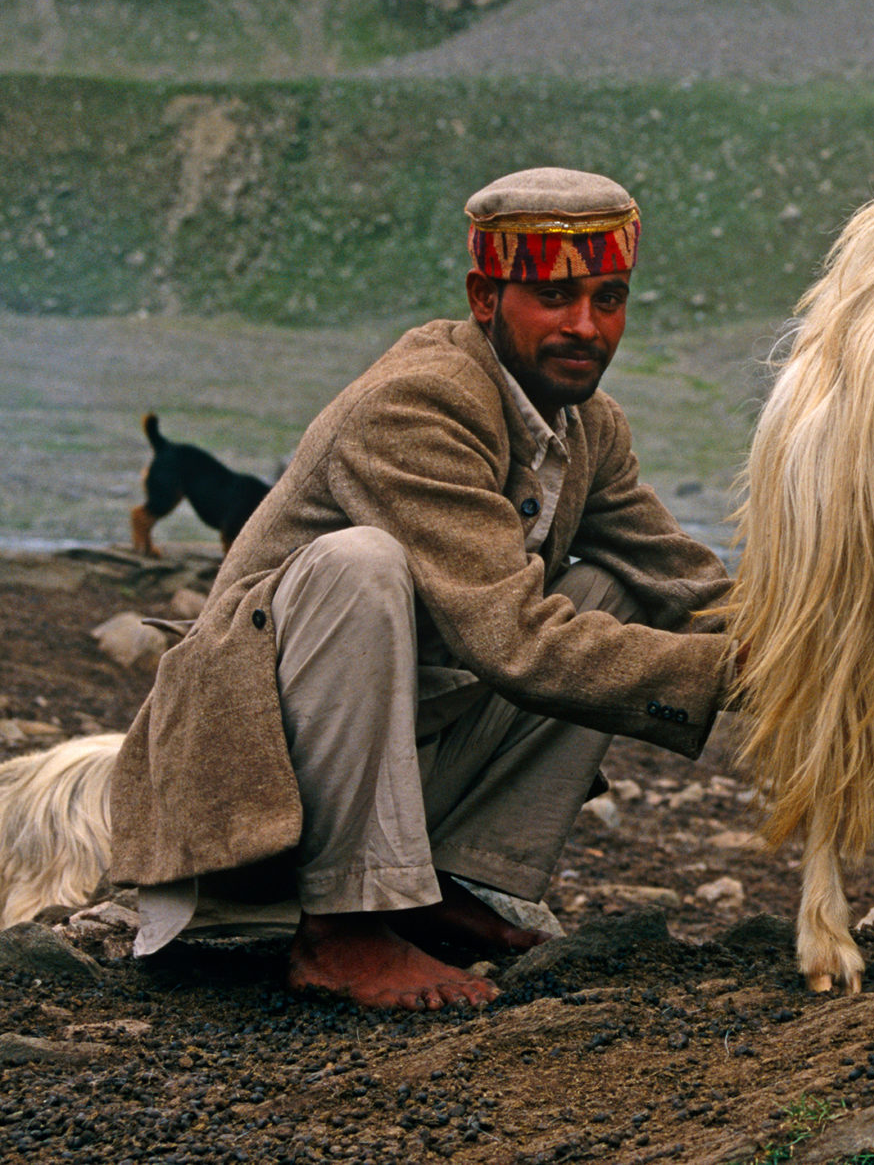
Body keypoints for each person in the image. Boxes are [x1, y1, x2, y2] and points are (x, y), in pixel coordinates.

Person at [108, 167, 740, 1011]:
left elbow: (685, 579)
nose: (587, 327)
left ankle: (444, 885)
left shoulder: (588, 426)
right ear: (486, 297)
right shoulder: (415, 407)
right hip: (247, 802)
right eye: (555, 299)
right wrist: (747, 679)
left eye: (609, 297)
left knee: (613, 591)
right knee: (359, 566)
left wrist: (836, 660)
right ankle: (344, 930)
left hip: (387, 764)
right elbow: (514, 641)